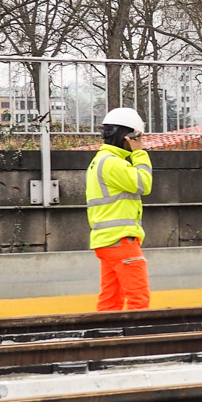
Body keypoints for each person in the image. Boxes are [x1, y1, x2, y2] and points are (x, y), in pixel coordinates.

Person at [86, 108, 153, 311]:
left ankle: (105, 339)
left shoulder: (100, 161)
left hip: (107, 241)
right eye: (137, 137)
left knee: (110, 301)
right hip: (121, 240)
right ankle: (135, 341)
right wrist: (140, 153)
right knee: (138, 300)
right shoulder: (113, 163)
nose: (140, 141)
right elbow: (144, 184)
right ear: (128, 136)